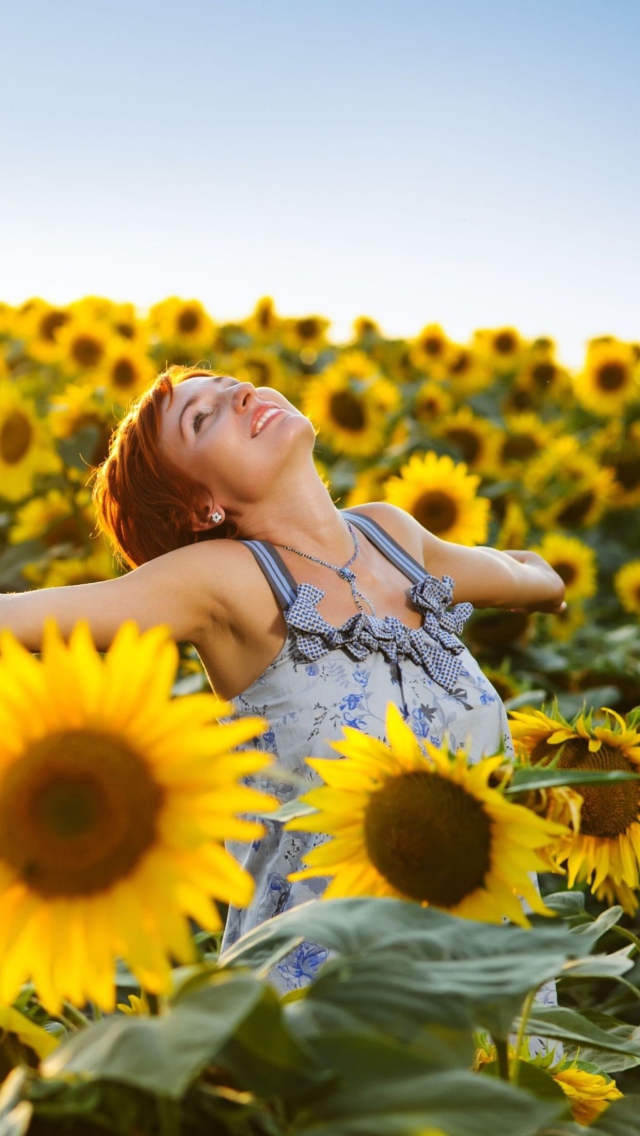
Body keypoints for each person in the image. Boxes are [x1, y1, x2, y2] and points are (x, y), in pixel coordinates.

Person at [1, 365, 566, 1000]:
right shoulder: (223, 581)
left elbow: (526, 576)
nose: (239, 393)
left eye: (226, 383)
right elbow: (17, 619)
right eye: (201, 417)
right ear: (201, 505)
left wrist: (551, 593)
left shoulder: (392, 536)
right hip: (329, 1004)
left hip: (496, 978)